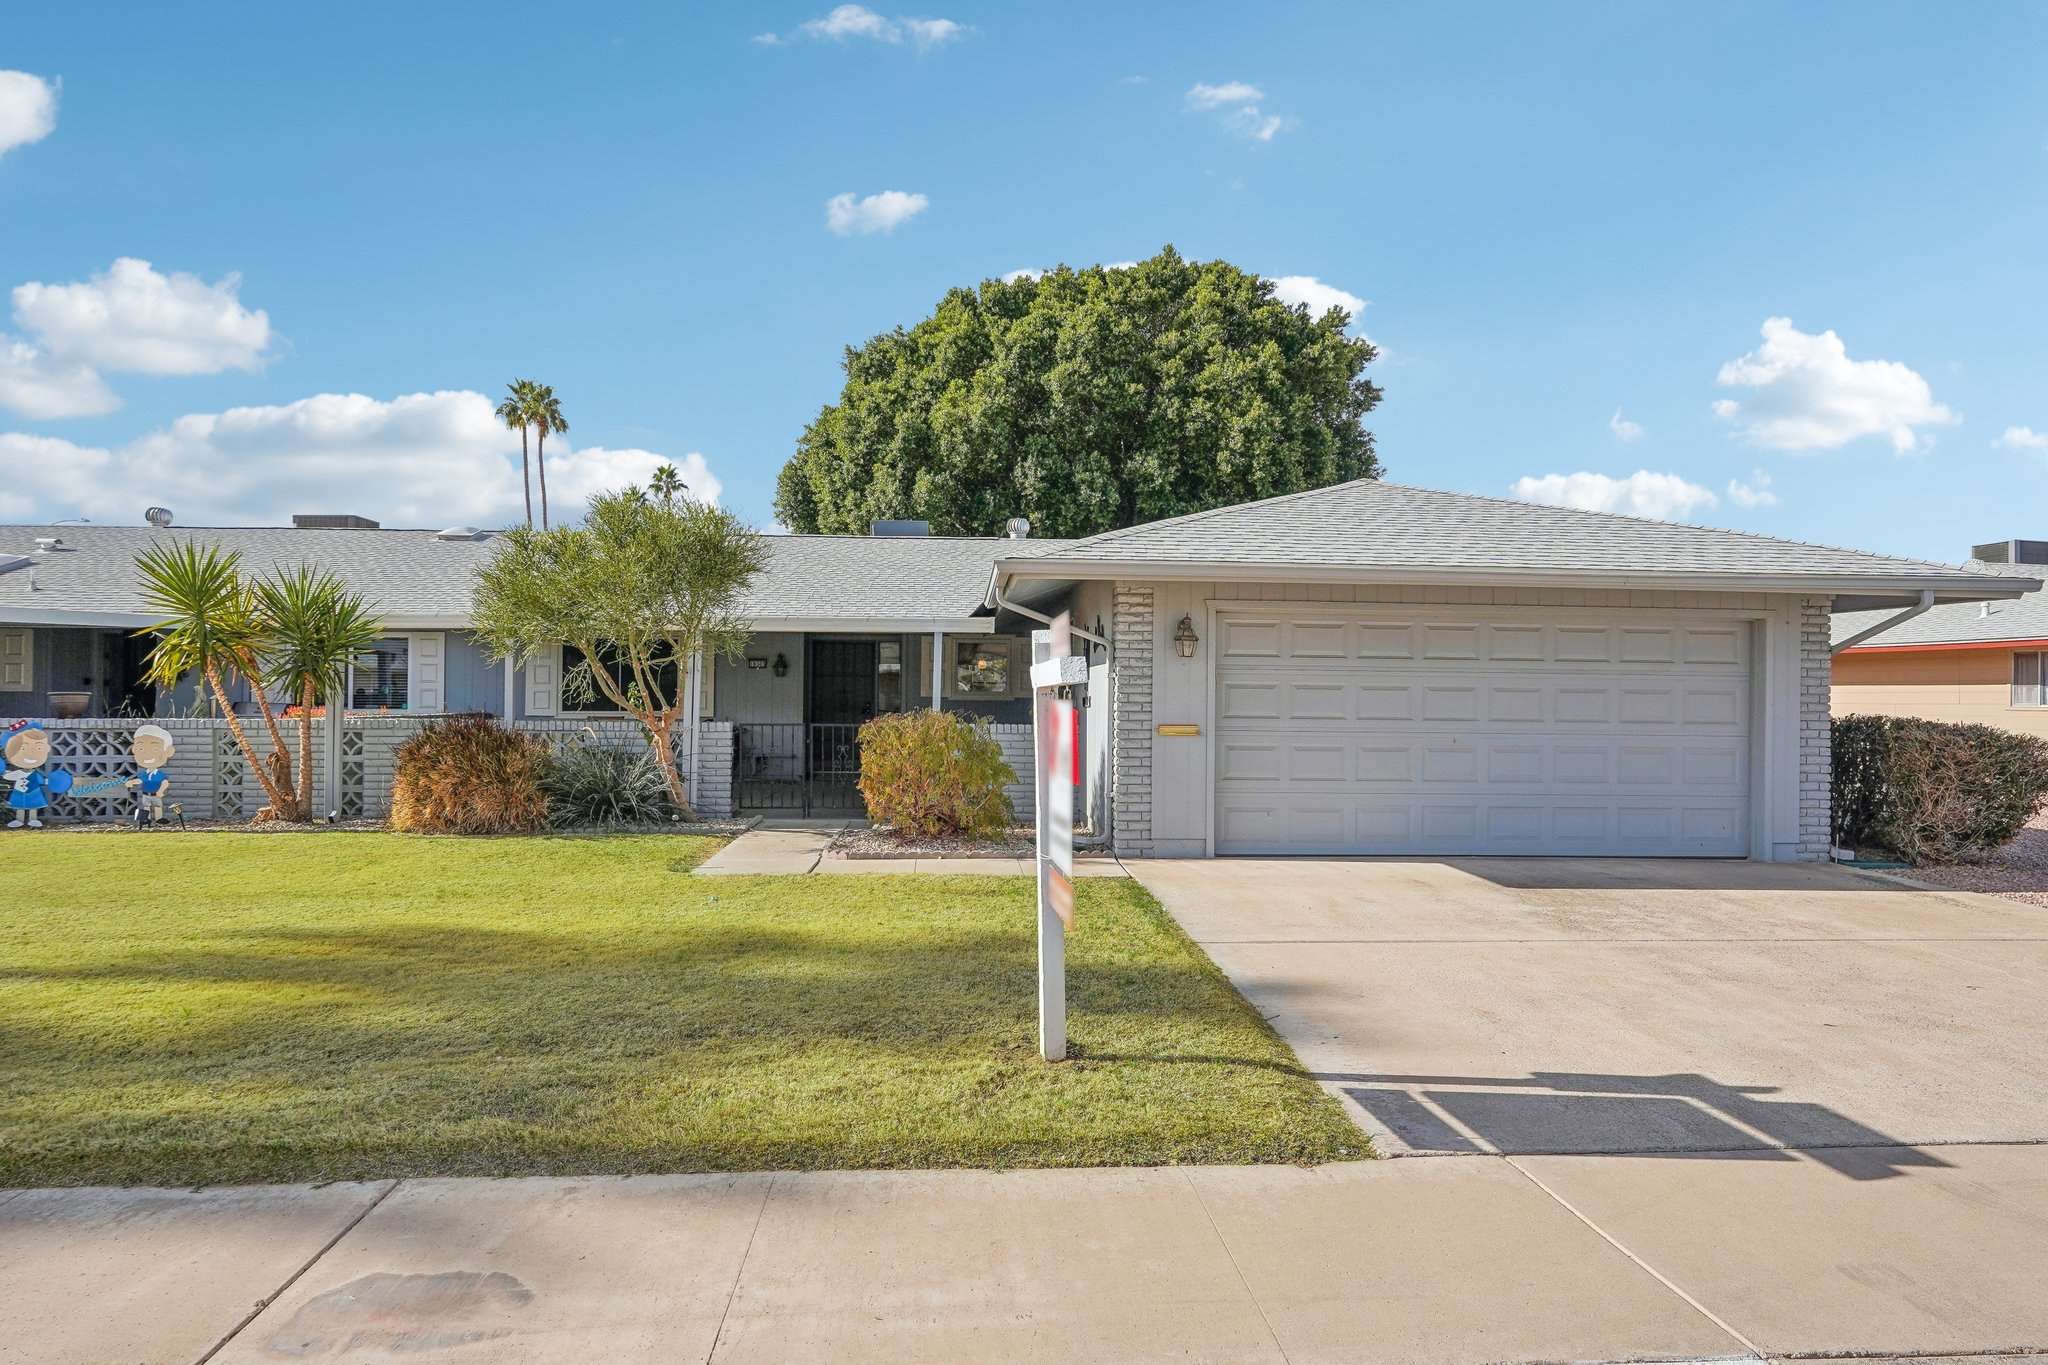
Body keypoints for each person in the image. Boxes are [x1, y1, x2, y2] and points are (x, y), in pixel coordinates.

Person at [3, 720, 63, 829]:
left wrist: (51, 781)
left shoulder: (35, 773)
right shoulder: (18, 773)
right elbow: (9, 776)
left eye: (38, 748)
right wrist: (5, 773)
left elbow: (42, 781)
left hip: (34, 792)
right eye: (23, 748)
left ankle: (33, 819)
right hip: (19, 792)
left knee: (33, 806)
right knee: (19, 806)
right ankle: (19, 820)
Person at [126, 724, 175, 826]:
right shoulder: (144, 774)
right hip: (146, 794)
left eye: (155, 749)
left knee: (157, 807)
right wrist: (131, 782)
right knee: (146, 807)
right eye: (141, 749)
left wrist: (160, 791)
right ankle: (146, 819)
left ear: (169, 751)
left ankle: (159, 819)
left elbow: (165, 783)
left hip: (156, 794)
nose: (147, 754)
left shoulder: (160, 774)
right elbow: (139, 781)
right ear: (134, 750)